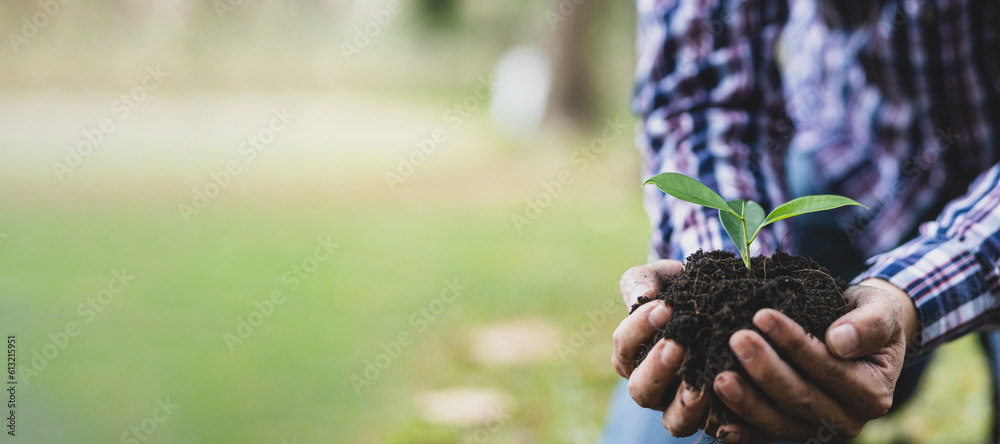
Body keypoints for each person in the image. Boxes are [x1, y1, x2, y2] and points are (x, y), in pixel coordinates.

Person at [601, 0, 1000, 443]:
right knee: (704, 408)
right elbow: (700, 97)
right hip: (850, 165)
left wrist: (907, 295)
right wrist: (724, 281)